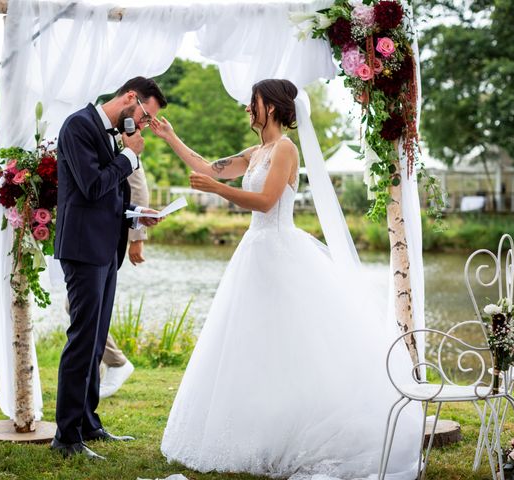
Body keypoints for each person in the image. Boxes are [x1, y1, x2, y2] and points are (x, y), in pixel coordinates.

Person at [152, 79, 421, 479]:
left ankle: (300, 428)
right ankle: (259, 426)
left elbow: (265, 201)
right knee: (253, 344)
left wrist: (217, 191)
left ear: (272, 108)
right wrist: (171, 136)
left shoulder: (285, 149)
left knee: (292, 343)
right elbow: (209, 167)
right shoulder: (255, 152)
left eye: (253, 102)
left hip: (280, 252)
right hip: (254, 255)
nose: (248, 108)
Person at [52, 77, 166, 459]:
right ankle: (66, 436)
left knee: (97, 342)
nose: (145, 125)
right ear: (130, 98)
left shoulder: (112, 134)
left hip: (105, 250)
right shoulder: (79, 126)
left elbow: (110, 196)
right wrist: (130, 156)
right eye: (146, 115)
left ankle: (89, 423)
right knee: (82, 341)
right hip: (83, 249)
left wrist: (136, 217)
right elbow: (89, 186)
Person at [63, 166, 150, 399]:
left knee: (80, 306)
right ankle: (96, 375)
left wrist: (137, 237)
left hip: (105, 236)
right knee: (79, 307)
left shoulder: (122, 136)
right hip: (81, 227)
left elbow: (136, 185)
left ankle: (115, 362)